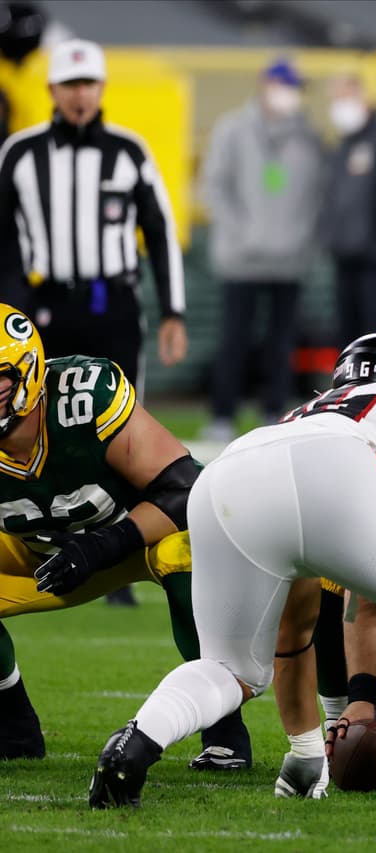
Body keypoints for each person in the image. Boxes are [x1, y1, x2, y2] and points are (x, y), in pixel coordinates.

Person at [88, 333, 376, 811]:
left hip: (229, 474)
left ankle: (131, 747)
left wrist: (306, 755)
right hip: (340, 470)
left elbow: (294, 628)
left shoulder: (307, 411)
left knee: (231, 668)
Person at [0, 304, 250, 767]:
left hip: (133, 537)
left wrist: (101, 546)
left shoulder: (83, 397)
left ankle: (223, 729)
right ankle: (14, 725)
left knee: (186, 549)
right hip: (36, 552)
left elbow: (185, 487)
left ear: (29, 373)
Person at [0, 39, 189, 606]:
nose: (79, 95)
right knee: (29, 420)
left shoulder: (129, 151)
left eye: (88, 84)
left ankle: (121, 547)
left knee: (117, 426)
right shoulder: (19, 152)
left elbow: (160, 230)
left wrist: (173, 310)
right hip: (42, 306)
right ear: (52, 90)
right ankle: (46, 533)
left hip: (113, 303)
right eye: (69, 84)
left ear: (100, 88)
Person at [199, 57, 325, 442]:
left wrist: (303, 236)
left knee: (282, 341)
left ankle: (277, 411)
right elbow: (214, 186)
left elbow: (319, 194)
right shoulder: (233, 130)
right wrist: (241, 233)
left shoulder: (309, 137)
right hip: (242, 258)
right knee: (234, 337)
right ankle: (223, 414)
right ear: (264, 84)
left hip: (290, 258)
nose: (287, 95)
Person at [322, 73, 376, 349]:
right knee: (348, 338)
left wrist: (366, 233)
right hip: (347, 258)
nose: (339, 106)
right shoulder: (344, 144)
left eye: (343, 98)